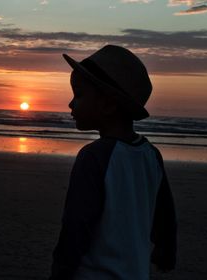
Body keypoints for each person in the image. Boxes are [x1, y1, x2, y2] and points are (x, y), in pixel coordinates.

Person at [49, 45, 177, 280]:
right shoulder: (151, 154)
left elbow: (77, 225)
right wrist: (165, 249)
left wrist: (61, 272)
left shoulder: (94, 157)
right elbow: (164, 213)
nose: (70, 104)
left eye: (78, 94)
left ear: (108, 105)